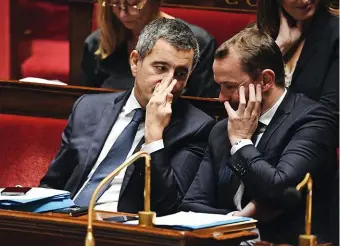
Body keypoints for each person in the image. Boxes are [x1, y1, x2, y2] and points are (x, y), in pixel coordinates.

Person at [40, 18, 215, 216]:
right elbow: (53, 184)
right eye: (160, 68)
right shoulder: (88, 108)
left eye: (181, 74)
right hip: (64, 222)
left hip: (123, 234)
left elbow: (167, 207)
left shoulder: (195, 128)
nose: (170, 82)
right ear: (135, 62)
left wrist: (154, 137)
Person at [179, 28, 338, 244]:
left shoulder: (312, 121)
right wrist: (238, 221)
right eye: (220, 86)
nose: (221, 98)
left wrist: (241, 142)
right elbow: (191, 204)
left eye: (230, 87)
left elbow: (280, 189)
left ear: (265, 80)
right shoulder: (221, 129)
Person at [80, 0, 219, 97]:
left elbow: (202, 110)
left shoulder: (198, 43)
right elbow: (87, 104)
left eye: (134, 4)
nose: (123, 14)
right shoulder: (96, 43)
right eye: (115, 3)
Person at [256, 0, 339, 112]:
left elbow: (328, 110)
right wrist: (279, 47)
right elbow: (235, 90)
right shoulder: (260, 32)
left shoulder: (336, 33)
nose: (305, 0)